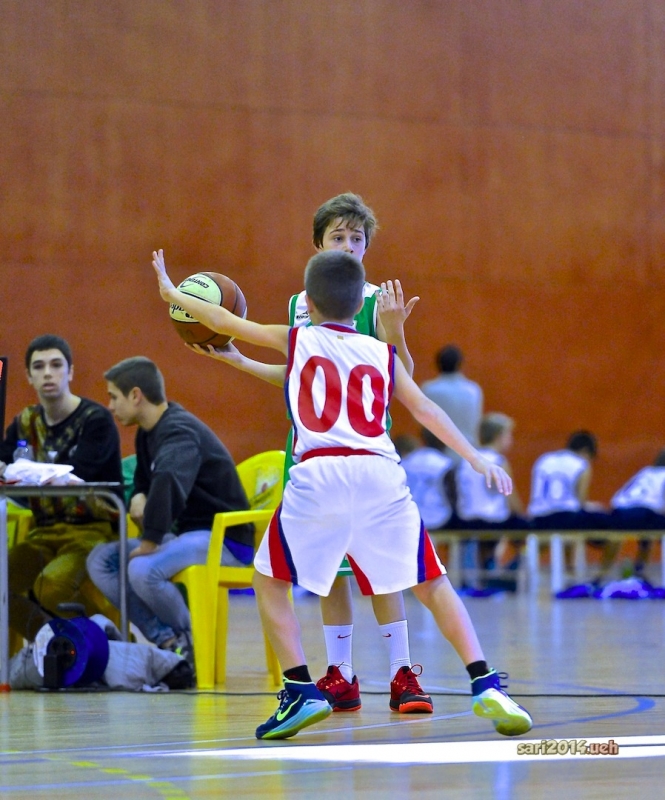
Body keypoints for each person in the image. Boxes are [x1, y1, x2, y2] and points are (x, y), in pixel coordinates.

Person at [153, 246, 533, 741]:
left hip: (320, 474)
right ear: (360, 305)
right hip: (381, 475)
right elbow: (424, 409)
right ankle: (484, 681)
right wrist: (477, 458)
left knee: (269, 581)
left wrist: (170, 290)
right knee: (432, 583)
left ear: (308, 302)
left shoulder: (296, 338)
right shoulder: (382, 353)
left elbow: (221, 318)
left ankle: (299, 690)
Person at [189, 193, 432, 715]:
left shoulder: (375, 301)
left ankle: (403, 673)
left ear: (367, 247)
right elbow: (299, 377)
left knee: (382, 571)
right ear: (318, 245)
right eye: (337, 237)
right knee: (328, 571)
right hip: (310, 452)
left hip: (365, 452)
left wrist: (397, 333)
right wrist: (239, 362)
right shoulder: (301, 305)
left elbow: (401, 381)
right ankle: (341, 674)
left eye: (356, 238)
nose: (347, 245)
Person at [86, 356, 254, 670]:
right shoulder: (147, 431)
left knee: (142, 570)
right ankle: (167, 639)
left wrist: (150, 540)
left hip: (225, 539)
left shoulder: (179, 431)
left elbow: (168, 482)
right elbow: (145, 479)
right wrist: (139, 494)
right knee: (101, 561)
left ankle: (195, 644)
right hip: (185, 535)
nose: (110, 405)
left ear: (135, 395)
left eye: (114, 397)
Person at [0, 334, 122, 640]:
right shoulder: (24, 422)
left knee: (50, 586)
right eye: (39, 367)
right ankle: (56, 645)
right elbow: (4, 461)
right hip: (43, 532)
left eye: (56, 365)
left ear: (70, 372)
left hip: (92, 530)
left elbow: (79, 471)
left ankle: (113, 642)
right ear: (28, 376)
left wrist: (23, 471)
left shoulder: (96, 420)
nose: (48, 373)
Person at [527, 430, 613, 585]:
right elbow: (580, 502)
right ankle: (600, 576)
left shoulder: (544, 459)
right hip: (566, 518)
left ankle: (564, 569)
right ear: (586, 451)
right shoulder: (581, 464)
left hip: (538, 519)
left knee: (567, 522)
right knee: (612, 529)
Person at [454, 413, 529, 581]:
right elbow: (511, 498)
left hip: (466, 520)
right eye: (509, 435)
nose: (511, 439)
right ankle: (510, 572)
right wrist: (522, 515)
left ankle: (484, 566)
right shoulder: (498, 461)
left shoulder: (466, 460)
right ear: (499, 436)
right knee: (524, 527)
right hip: (493, 520)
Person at [420, 344, 483, 459]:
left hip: (438, 456)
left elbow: (422, 424)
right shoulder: (473, 390)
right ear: (460, 364)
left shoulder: (429, 389)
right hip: (468, 454)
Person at [610, 449, 665, 577]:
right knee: (652, 526)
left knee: (645, 531)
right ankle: (640, 568)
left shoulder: (645, 472)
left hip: (619, 512)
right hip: (644, 513)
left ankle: (603, 572)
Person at [398, 429, 455, 532]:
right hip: (440, 516)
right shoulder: (445, 463)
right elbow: (453, 494)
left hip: (410, 516)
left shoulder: (408, 460)